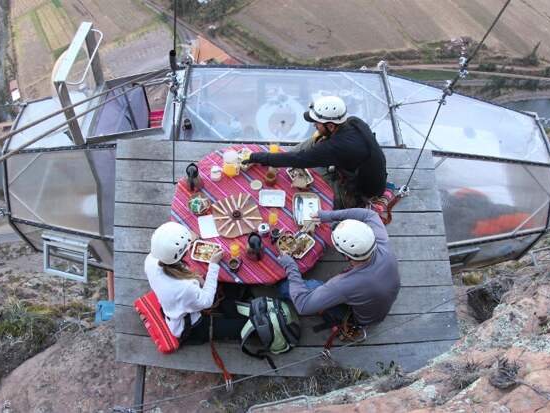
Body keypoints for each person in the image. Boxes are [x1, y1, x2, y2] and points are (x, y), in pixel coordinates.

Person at [244, 95, 387, 209]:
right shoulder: (353, 122)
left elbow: (297, 159)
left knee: (310, 192)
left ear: (331, 126)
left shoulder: (336, 147)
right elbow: (309, 150)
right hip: (364, 170)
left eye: (317, 123)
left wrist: (257, 157)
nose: (314, 125)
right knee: (316, 139)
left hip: (359, 193)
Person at [277, 208, 400, 326]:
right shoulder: (382, 241)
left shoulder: (343, 285)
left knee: (284, 287)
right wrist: (327, 216)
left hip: (360, 318)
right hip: (377, 302)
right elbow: (370, 215)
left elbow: (303, 306)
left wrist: (290, 265)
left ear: (346, 256)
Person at [144, 221, 244, 344]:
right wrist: (213, 265)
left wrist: (196, 279)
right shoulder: (185, 286)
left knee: (229, 297)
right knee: (241, 326)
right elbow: (207, 301)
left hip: (177, 302)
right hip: (189, 326)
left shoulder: (150, 260)